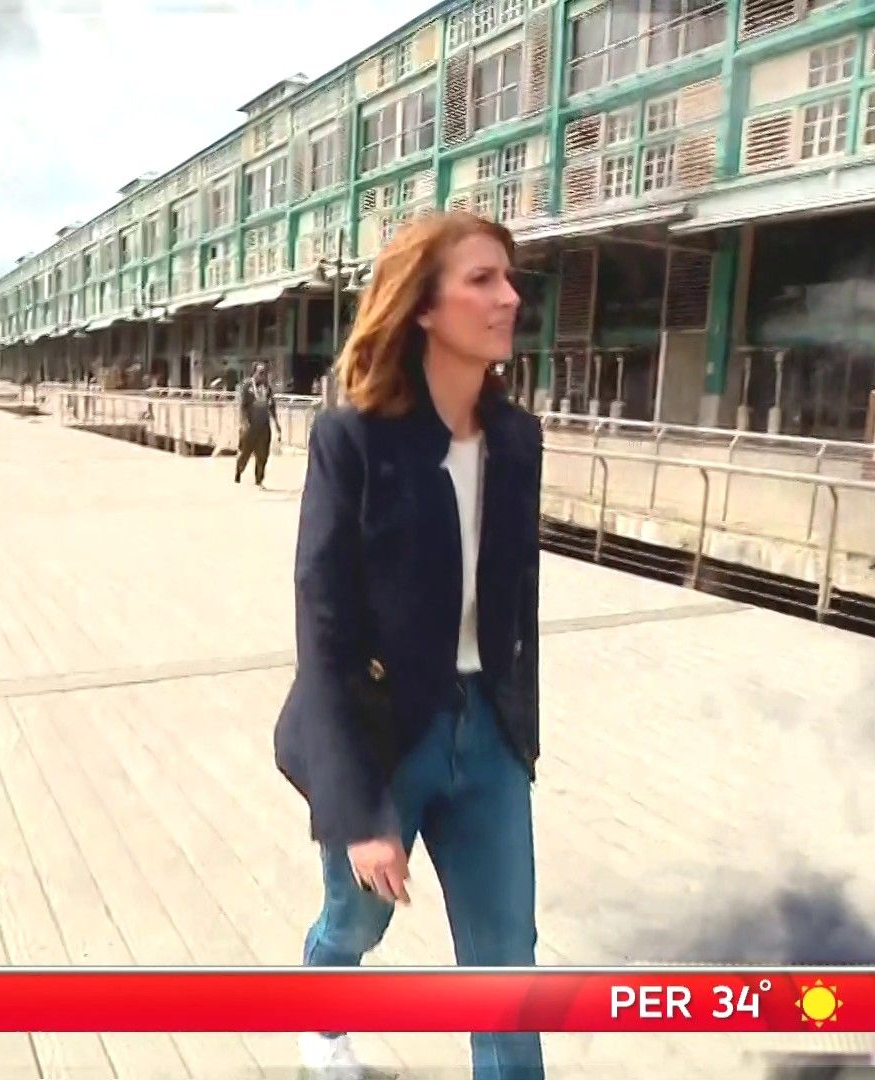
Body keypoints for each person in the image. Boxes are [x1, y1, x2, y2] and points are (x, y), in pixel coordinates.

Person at [274, 211, 545, 1080]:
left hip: (488, 737)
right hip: (386, 731)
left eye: (509, 278)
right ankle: (322, 1005)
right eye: (482, 280)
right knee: (359, 919)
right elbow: (324, 631)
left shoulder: (517, 439)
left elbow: (518, 599)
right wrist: (358, 813)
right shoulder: (352, 437)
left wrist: (520, 732)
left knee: (506, 961)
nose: (509, 297)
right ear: (423, 306)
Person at [235, 362, 280, 486]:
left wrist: (277, 424)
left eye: (265, 373)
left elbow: (272, 407)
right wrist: (244, 422)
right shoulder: (247, 386)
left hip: (264, 426)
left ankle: (259, 480)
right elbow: (243, 406)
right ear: (254, 373)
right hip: (250, 425)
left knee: (263, 454)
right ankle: (239, 471)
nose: (263, 375)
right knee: (245, 453)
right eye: (261, 373)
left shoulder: (268, 388)